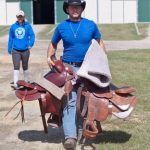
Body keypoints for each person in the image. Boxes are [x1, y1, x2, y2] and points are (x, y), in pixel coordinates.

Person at [47, 0, 106, 149]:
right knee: (70, 101)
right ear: (67, 9)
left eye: (77, 6)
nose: (75, 9)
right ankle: (70, 137)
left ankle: (82, 133)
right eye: (72, 6)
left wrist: (103, 59)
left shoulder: (91, 25)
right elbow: (53, 43)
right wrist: (50, 56)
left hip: (88, 68)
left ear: (81, 8)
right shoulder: (62, 27)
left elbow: (99, 42)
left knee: (85, 102)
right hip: (68, 69)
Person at [8, 10, 35, 89]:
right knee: (16, 66)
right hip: (15, 50)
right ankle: (16, 83)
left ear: (24, 17)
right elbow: (11, 38)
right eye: (18, 16)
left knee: (25, 66)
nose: (20, 18)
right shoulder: (13, 26)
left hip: (25, 50)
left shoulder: (28, 26)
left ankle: (27, 82)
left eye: (21, 16)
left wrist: (30, 44)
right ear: (17, 17)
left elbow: (32, 35)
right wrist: (9, 48)